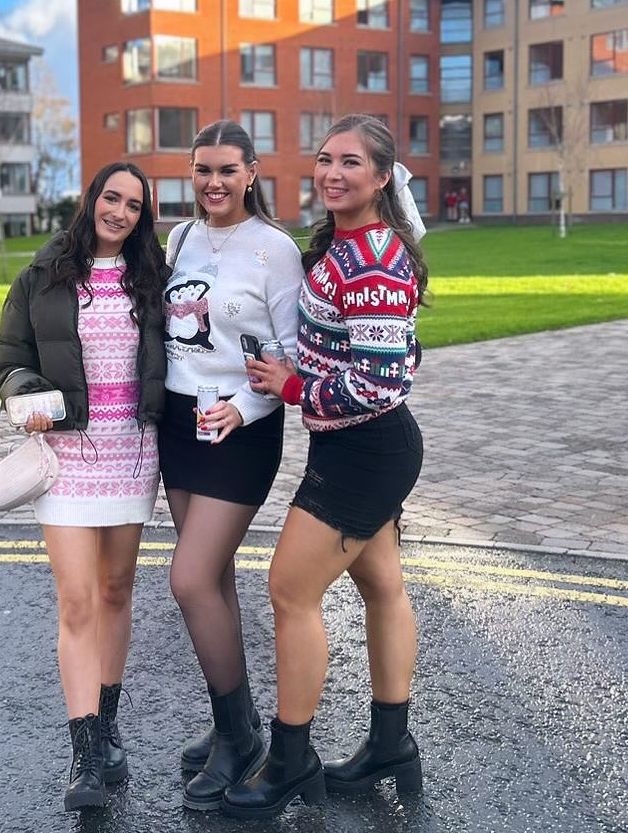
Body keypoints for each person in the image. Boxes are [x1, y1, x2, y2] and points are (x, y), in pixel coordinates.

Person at [226, 113, 427, 820]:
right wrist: (299, 367)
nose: (332, 173)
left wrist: (288, 386)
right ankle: (391, 744)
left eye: (350, 162)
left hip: (367, 449)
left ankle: (288, 762)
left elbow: (378, 385)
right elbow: (386, 355)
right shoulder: (347, 247)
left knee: (288, 591)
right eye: (323, 159)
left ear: (380, 178)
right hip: (357, 445)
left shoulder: (372, 257)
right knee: (381, 585)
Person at [0, 162, 169, 811]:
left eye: (132, 205)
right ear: (91, 199)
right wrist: (28, 395)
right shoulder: (42, 277)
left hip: (131, 455)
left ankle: (109, 720)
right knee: (76, 601)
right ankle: (86, 754)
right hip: (65, 459)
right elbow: (10, 362)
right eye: (111, 198)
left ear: (143, 216)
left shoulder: (153, 280)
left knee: (116, 590)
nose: (119, 212)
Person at [159, 119, 303, 811]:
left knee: (187, 579)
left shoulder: (276, 250)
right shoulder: (180, 238)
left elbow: (291, 355)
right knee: (210, 579)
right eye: (201, 171)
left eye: (226, 171)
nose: (213, 184)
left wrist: (243, 408)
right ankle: (235, 726)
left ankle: (238, 737)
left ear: (252, 172)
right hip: (180, 425)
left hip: (237, 431)